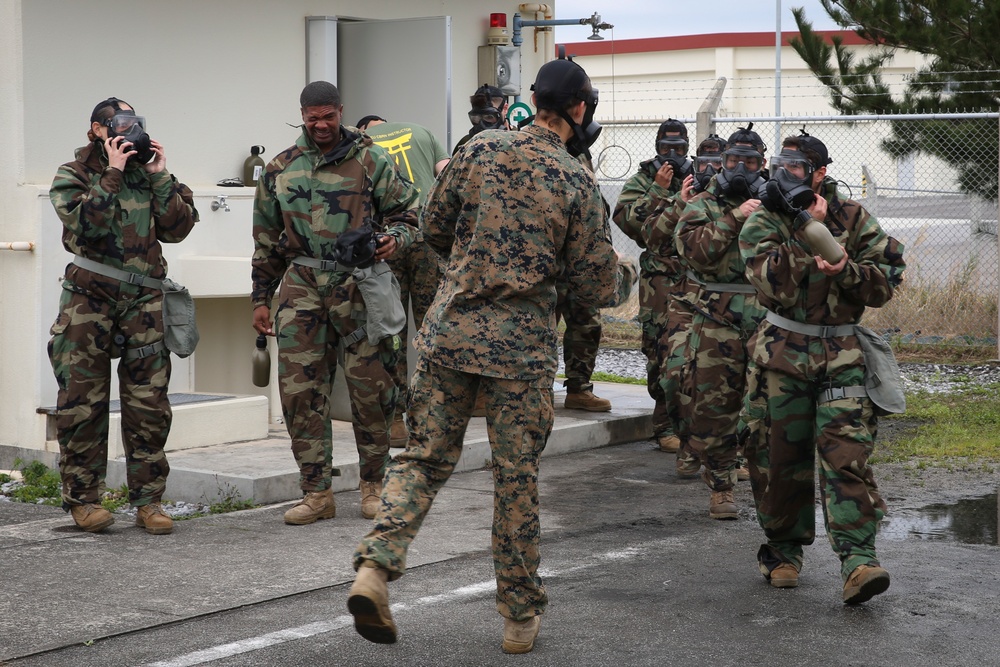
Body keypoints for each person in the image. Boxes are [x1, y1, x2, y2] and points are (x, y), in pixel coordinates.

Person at [347, 57, 636, 654]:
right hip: (520, 353)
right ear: (580, 109)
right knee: (515, 478)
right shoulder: (575, 180)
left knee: (424, 458)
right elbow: (595, 289)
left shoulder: (479, 150)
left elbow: (430, 226)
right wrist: (629, 276)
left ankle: (375, 568)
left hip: (449, 332)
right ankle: (518, 615)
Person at [739, 132, 905, 604]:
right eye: (780, 165)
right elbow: (771, 284)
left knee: (845, 456)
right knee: (777, 459)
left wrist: (846, 269)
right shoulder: (765, 218)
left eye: (797, 167)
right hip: (781, 357)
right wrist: (802, 231)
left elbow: (884, 281)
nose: (786, 174)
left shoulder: (852, 217)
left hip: (843, 359)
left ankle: (859, 561)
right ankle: (784, 552)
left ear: (819, 173)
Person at [251, 82, 420, 523]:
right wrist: (260, 298)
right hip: (302, 285)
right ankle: (316, 493)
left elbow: (408, 214)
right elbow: (266, 239)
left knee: (373, 389)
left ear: (341, 112)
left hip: (360, 285)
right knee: (301, 393)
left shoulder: (371, 160)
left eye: (328, 116)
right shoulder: (280, 168)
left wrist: (392, 240)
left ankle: (374, 486)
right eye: (312, 117)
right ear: (302, 114)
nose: (320, 125)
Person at [48, 97, 199, 535]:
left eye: (134, 120)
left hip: (143, 304)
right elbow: (85, 226)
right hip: (87, 303)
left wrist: (159, 175)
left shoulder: (148, 172)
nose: (129, 128)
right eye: (118, 122)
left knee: (149, 406)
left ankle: (149, 501)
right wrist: (112, 172)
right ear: (96, 129)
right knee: (81, 403)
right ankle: (84, 501)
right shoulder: (73, 174)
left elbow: (177, 228)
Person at [671, 131, 766, 519]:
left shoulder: (771, 204)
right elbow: (697, 252)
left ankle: (767, 485)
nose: (740, 170)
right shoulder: (703, 205)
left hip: (764, 317)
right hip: (716, 320)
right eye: (732, 162)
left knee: (763, 405)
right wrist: (735, 217)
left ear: (763, 164)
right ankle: (722, 486)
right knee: (713, 407)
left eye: (750, 163)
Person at [356, 115, 450, 448]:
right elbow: (447, 170)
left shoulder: (362, 142)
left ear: (364, 127)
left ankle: (396, 421)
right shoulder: (422, 131)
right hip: (427, 236)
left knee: (392, 330)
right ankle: (433, 418)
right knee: (432, 326)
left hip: (387, 241)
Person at [613, 119, 689, 451]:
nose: (672, 155)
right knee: (660, 350)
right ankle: (664, 425)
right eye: (665, 149)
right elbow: (630, 223)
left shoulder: (697, 177)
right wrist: (659, 189)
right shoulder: (643, 180)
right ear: (656, 148)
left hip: (696, 276)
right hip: (661, 281)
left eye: (680, 149)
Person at [452, 84, 509, 154]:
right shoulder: (465, 144)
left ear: (505, 109)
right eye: (476, 118)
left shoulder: (521, 140)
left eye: (489, 117)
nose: (482, 124)